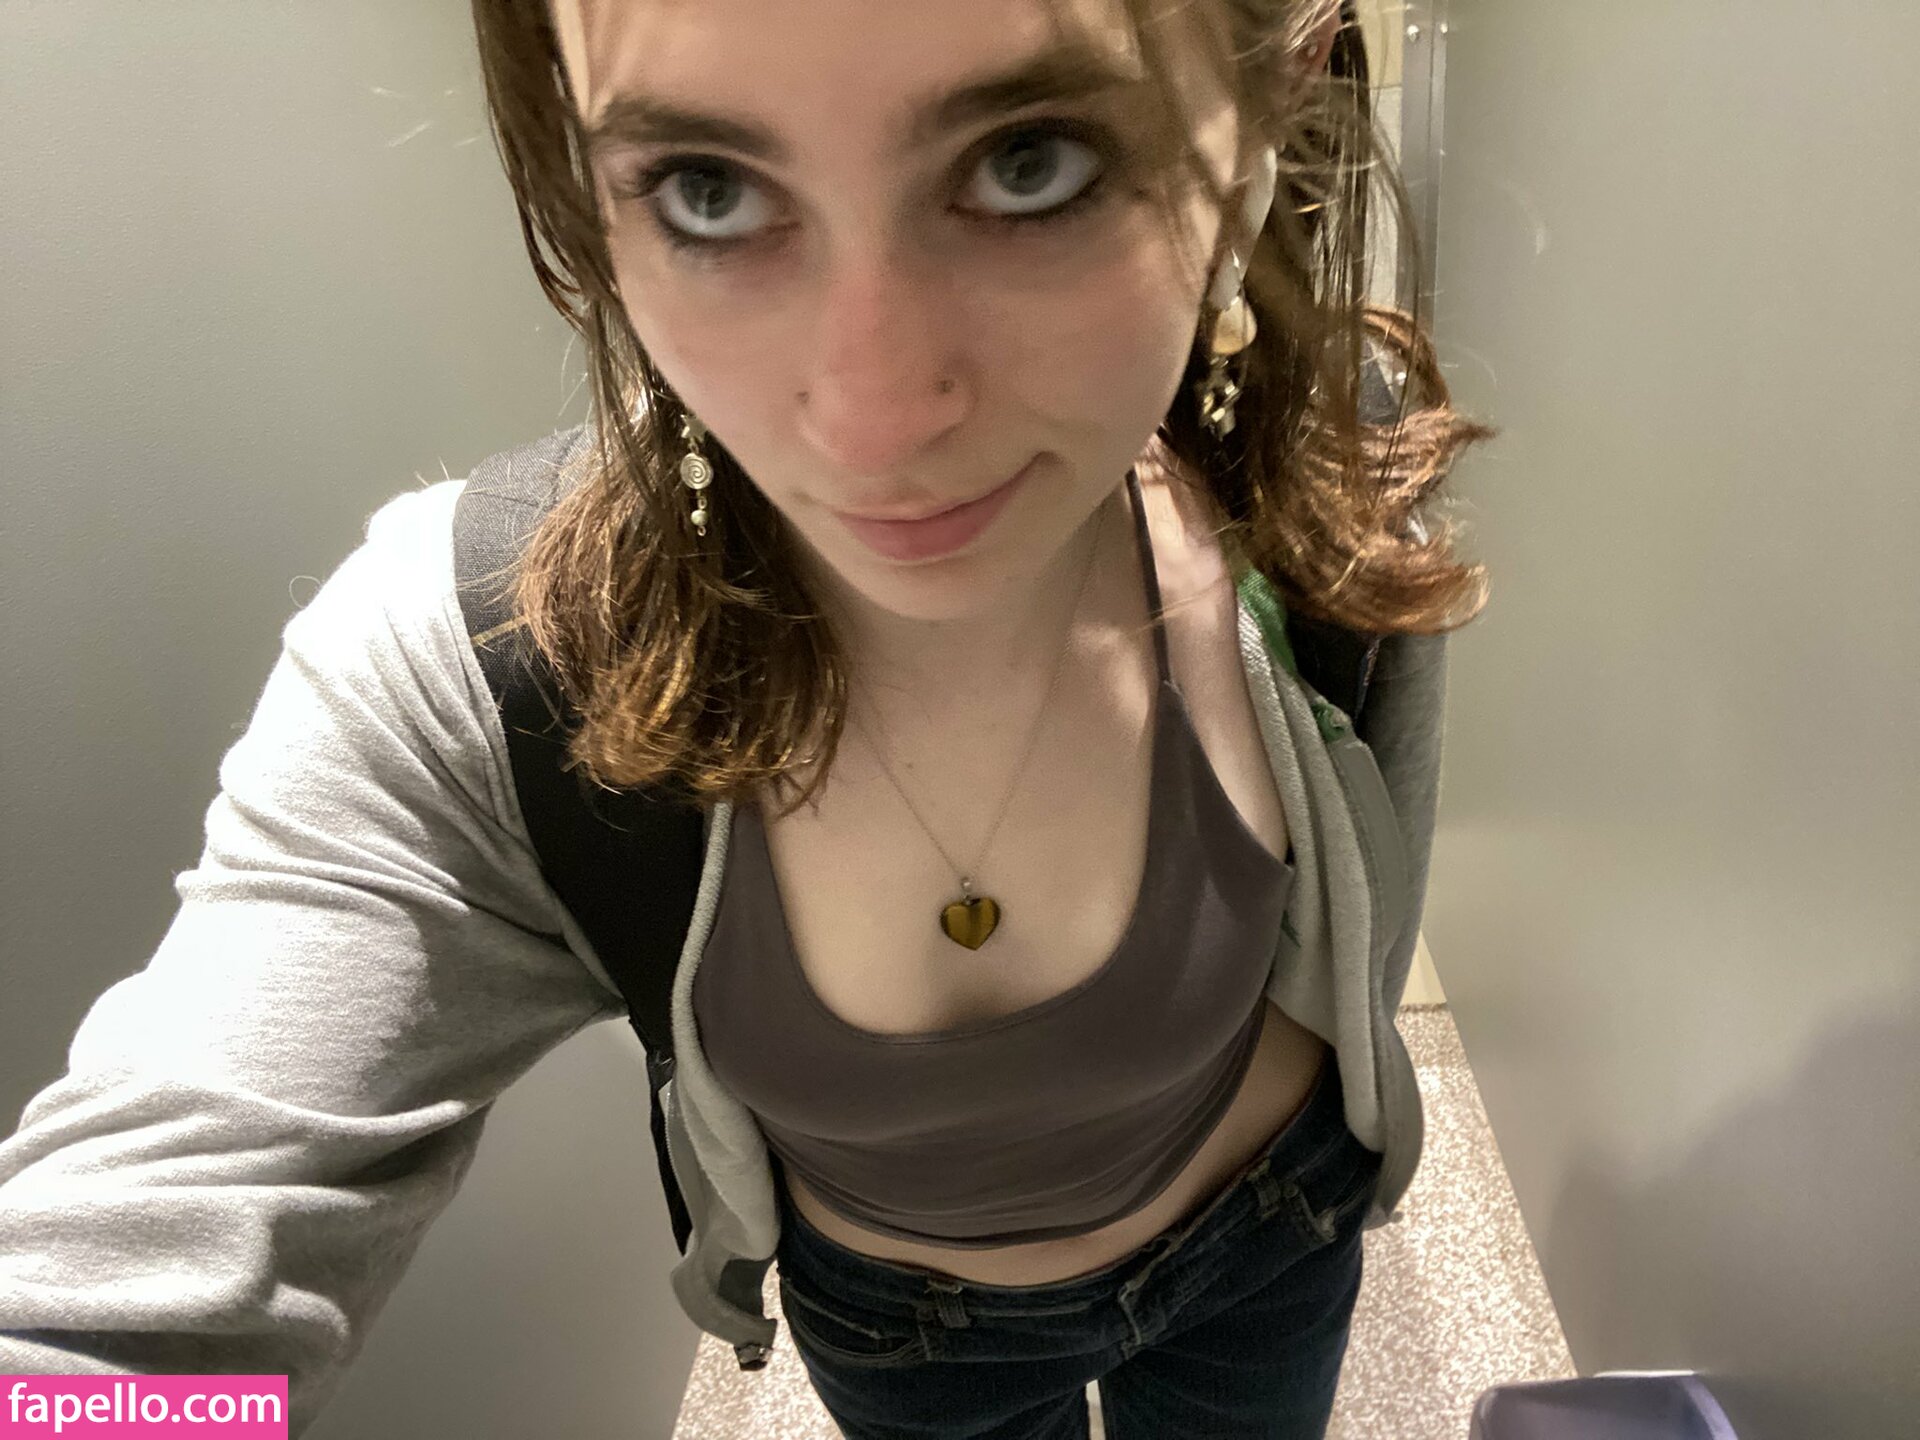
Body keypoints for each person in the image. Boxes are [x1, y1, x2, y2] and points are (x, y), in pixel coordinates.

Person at [0, 0, 1492, 1435]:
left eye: (1031, 162)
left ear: (1265, 110)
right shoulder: (481, 663)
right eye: (705, 189)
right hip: (909, 1340)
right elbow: (123, 1303)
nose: (871, 421)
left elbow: (1363, 925)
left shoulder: (1333, 494)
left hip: (1271, 1241)